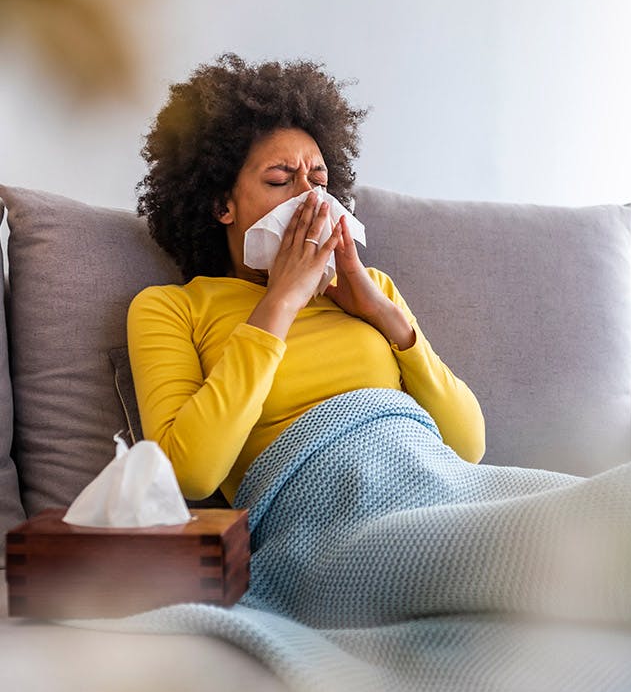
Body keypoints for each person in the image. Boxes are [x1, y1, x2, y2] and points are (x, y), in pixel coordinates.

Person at [129, 54, 485, 504]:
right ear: (222, 206)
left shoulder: (370, 289)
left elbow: (468, 446)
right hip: (320, 519)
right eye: (281, 179)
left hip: (435, 487)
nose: (310, 198)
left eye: (318, 179)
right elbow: (189, 474)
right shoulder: (172, 309)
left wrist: (383, 314)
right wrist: (279, 302)